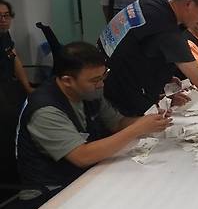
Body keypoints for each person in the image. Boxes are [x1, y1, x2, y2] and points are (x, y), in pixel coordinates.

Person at [16, 42, 171, 197]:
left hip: (86, 175)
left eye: (104, 76)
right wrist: (136, 129)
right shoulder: (46, 111)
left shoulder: (89, 92)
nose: (101, 84)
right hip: (51, 192)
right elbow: (82, 157)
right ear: (67, 81)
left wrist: (151, 120)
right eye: (95, 80)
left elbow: (117, 123)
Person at [0, 0, 34, 184]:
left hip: (8, 86)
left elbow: (14, 59)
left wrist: (27, 87)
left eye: (6, 16)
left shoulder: (5, 35)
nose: (3, 20)